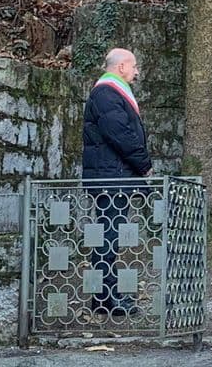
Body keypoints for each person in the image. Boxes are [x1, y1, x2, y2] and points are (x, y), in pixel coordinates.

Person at [82, 48, 152, 316]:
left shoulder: (109, 93)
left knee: (109, 237)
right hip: (111, 177)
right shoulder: (106, 93)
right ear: (122, 66)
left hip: (113, 175)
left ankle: (105, 296)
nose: (136, 71)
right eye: (134, 66)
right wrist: (143, 164)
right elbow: (119, 133)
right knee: (107, 239)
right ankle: (105, 297)